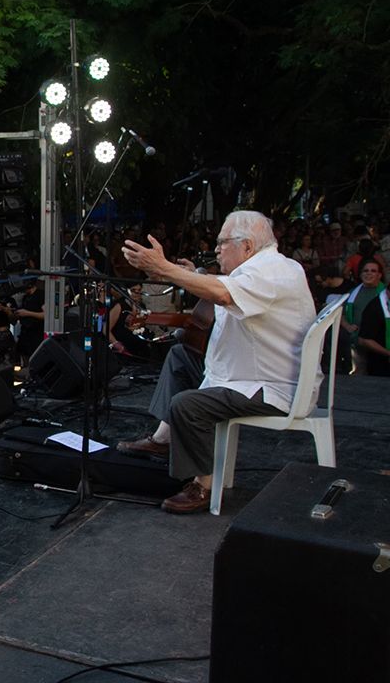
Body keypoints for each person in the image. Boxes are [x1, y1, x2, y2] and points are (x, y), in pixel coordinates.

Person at [116, 210, 317, 514]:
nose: (217, 248)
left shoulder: (271, 273)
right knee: (181, 356)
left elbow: (223, 294)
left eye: (223, 243)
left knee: (188, 404)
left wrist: (165, 268)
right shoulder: (267, 266)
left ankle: (204, 485)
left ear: (247, 246)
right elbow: (227, 284)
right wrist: (195, 274)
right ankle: (164, 437)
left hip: (266, 386)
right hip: (247, 373)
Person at [340, 260, 384, 375]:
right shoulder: (353, 293)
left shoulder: (385, 293)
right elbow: (340, 313)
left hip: (380, 344)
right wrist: (348, 326)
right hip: (358, 342)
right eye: (366, 271)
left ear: (379, 275)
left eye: (373, 271)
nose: (368, 273)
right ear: (360, 274)